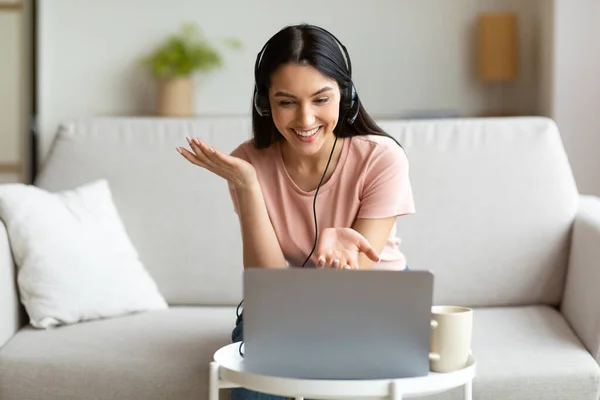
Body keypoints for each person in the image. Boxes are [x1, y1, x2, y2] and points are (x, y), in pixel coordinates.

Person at [177, 23, 415, 400]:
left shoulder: (381, 158)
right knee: (258, 388)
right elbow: (267, 285)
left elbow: (355, 279)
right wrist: (249, 186)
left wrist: (336, 248)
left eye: (321, 99)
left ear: (346, 96)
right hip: (291, 304)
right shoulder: (247, 163)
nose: (305, 120)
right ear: (264, 102)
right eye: (287, 102)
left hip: (372, 298)